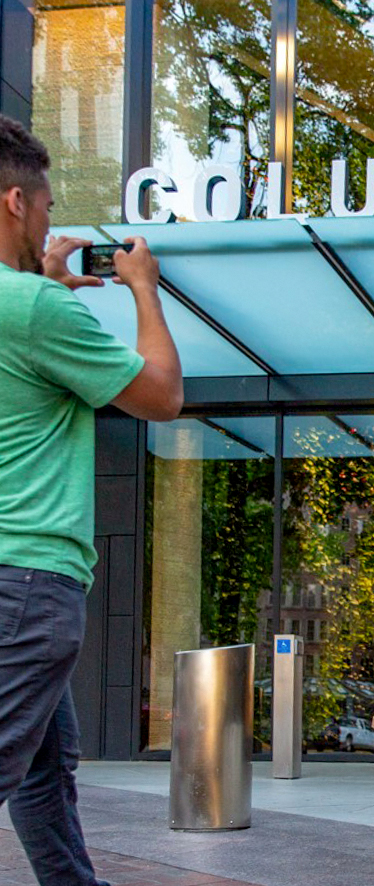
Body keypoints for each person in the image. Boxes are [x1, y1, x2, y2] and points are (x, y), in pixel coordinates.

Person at [0, 115, 182, 886]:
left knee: (47, 766)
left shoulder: (30, 306)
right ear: (15, 202)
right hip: (29, 576)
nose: (48, 226)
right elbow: (160, 396)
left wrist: (43, 287)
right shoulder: (34, 309)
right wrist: (144, 292)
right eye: (45, 211)